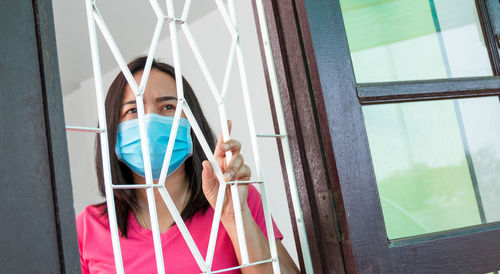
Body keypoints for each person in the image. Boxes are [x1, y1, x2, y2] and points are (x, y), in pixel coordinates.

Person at [76, 56, 299, 273]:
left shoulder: (236, 197)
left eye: (168, 107)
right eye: (133, 110)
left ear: (192, 124)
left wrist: (235, 217)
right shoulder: (87, 228)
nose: (150, 120)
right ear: (112, 131)